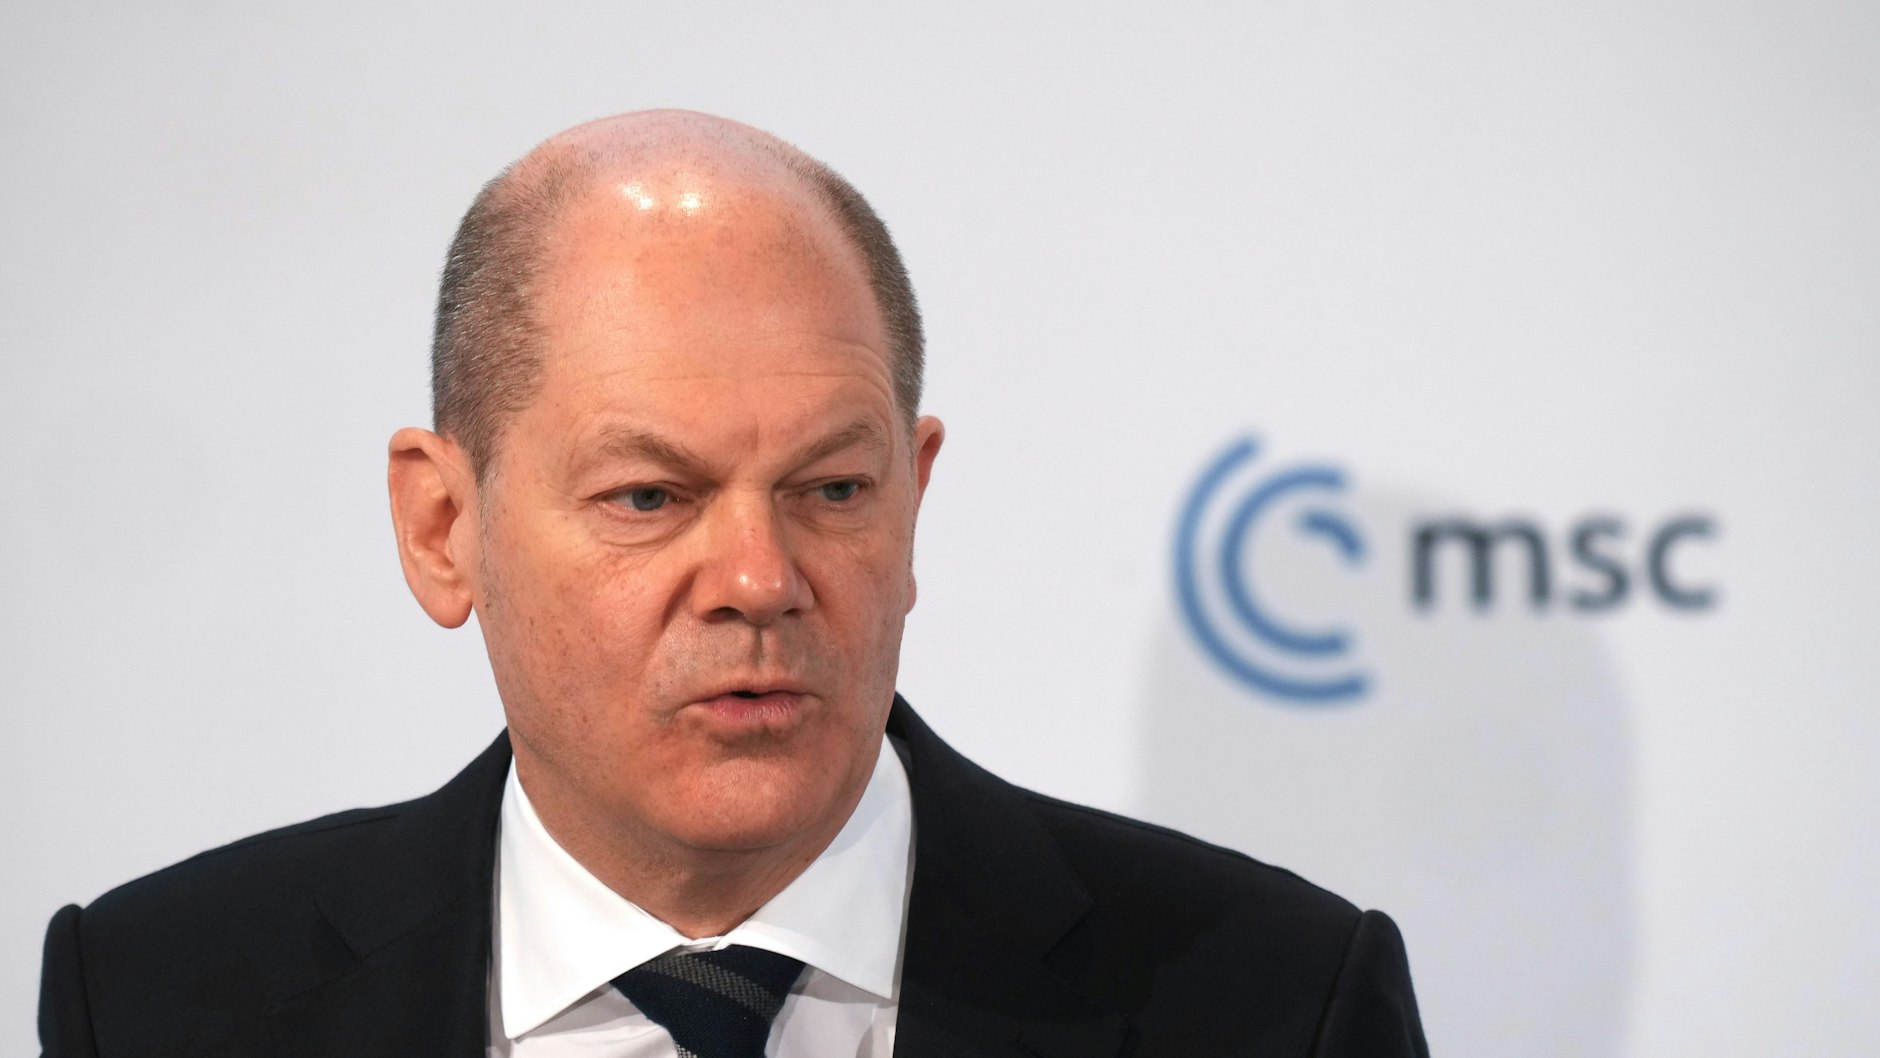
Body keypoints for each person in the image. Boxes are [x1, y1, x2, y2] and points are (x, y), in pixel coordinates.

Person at [37, 111, 1429, 1058]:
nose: (761, 580)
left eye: (834, 489)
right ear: (443, 527)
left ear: (915, 496)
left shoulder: (1276, 1002)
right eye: (649, 496)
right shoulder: (162, 999)